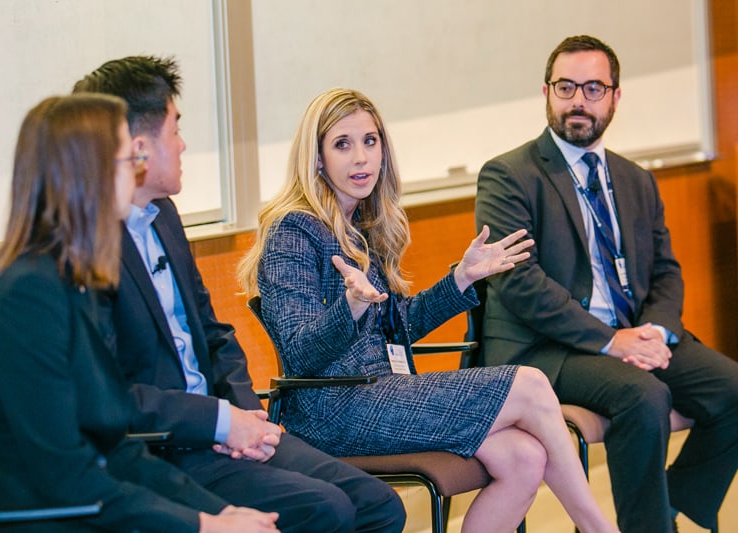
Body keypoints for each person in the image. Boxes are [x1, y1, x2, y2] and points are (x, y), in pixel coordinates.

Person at [237, 87, 620, 533]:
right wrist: (350, 306)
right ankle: (600, 528)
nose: (361, 157)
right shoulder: (293, 231)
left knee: (524, 458)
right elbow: (301, 354)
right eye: (343, 144)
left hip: (378, 392)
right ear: (317, 158)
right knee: (531, 384)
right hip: (330, 408)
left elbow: (399, 327)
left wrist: (463, 279)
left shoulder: (360, 225)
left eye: (370, 141)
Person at [73, 56, 406, 533]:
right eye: (176, 129)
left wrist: (244, 409)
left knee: (380, 505)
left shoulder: (163, 217)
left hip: (224, 423)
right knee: (327, 508)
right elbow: (110, 394)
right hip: (163, 444)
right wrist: (218, 422)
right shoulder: (87, 247)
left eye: (371, 142)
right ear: (140, 146)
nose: (184, 144)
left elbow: (215, 333)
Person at [0, 93, 279, 532]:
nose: (139, 169)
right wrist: (201, 526)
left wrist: (217, 513)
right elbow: (66, 476)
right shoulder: (24, 299)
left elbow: (118, 447)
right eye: (129, 158)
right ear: (88, 174)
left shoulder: (73, 285)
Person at [474, 34, 738, 533]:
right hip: (544, 349)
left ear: (616, 96)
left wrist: (654, 334)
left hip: (629, 334)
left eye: (593, 88)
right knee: (644, 396)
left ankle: (665, 507)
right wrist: (610, 341)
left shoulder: (635, 179)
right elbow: (519, 283)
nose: (578, 100)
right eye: (566, 87)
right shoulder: (509, 175)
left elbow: (665, 271)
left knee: (733, 389)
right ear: (546, 92)